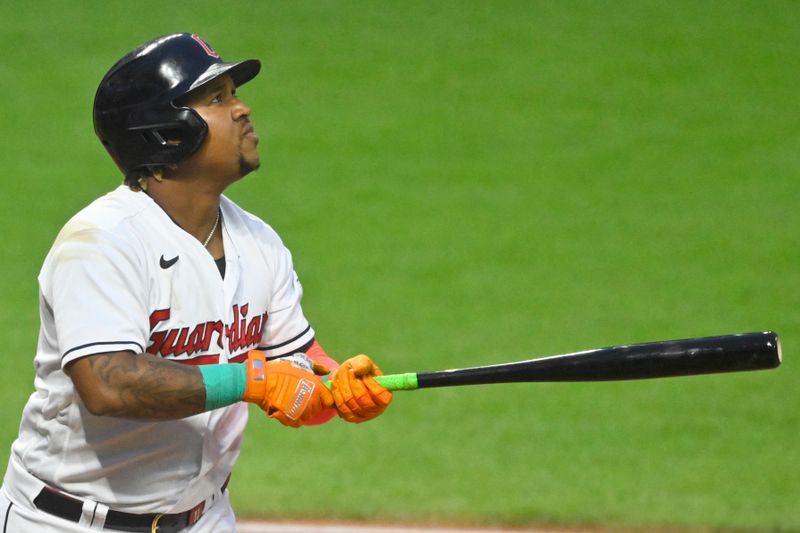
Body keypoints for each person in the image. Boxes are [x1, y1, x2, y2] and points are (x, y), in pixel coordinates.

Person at [0, 33, 393, 533]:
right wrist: (255, 381)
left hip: (204, 519)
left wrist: (336, 386)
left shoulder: (260, 242)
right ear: (165, 133)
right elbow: (108, 383)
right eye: (217, 99)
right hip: (67, 523)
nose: (243, 109)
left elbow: (293, 368)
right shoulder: (102, 241)